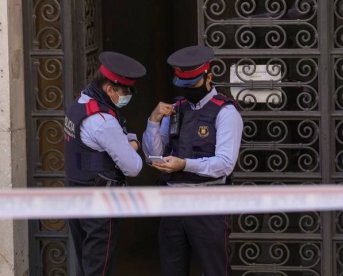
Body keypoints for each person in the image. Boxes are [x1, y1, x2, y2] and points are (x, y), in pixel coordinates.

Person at [142, 45, 243, 276]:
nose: (187, 91)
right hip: (173, 203)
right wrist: (153, 121)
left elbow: (225, 163)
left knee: (214, 270)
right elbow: (151, 156)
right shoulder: (176, 109)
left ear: (209, 77)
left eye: (192, 85)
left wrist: (185, 164)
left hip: (208, 203)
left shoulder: (226, 113)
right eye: (182, 85)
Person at [64, 51, 146, 275]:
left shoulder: (81, 102)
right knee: (99, 268)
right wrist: (134, 143)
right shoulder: (103, 121)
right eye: (125, 91)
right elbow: (134, 167)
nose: (127, 96)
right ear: (109, 89)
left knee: (87, 264)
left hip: (77, 194)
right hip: (100, 201)